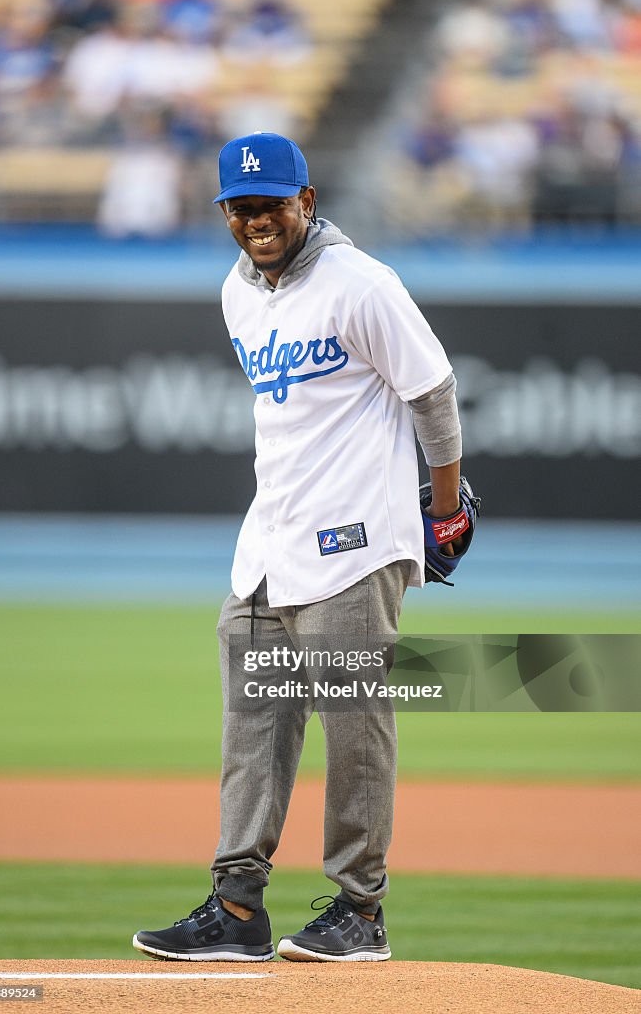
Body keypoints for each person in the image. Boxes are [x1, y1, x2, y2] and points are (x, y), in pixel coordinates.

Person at [133, 132, 468, 963]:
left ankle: (361, 911)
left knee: (355, 726)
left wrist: (446, 506)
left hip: (354, 546)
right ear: (224, 213)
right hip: (268, 544)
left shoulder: (361, 283)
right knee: (252, 725)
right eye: (241, 208)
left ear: (306, 201)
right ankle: (237, 908)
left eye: (272, 204)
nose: (257, 220)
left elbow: (431, 391)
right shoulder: (236, 294)